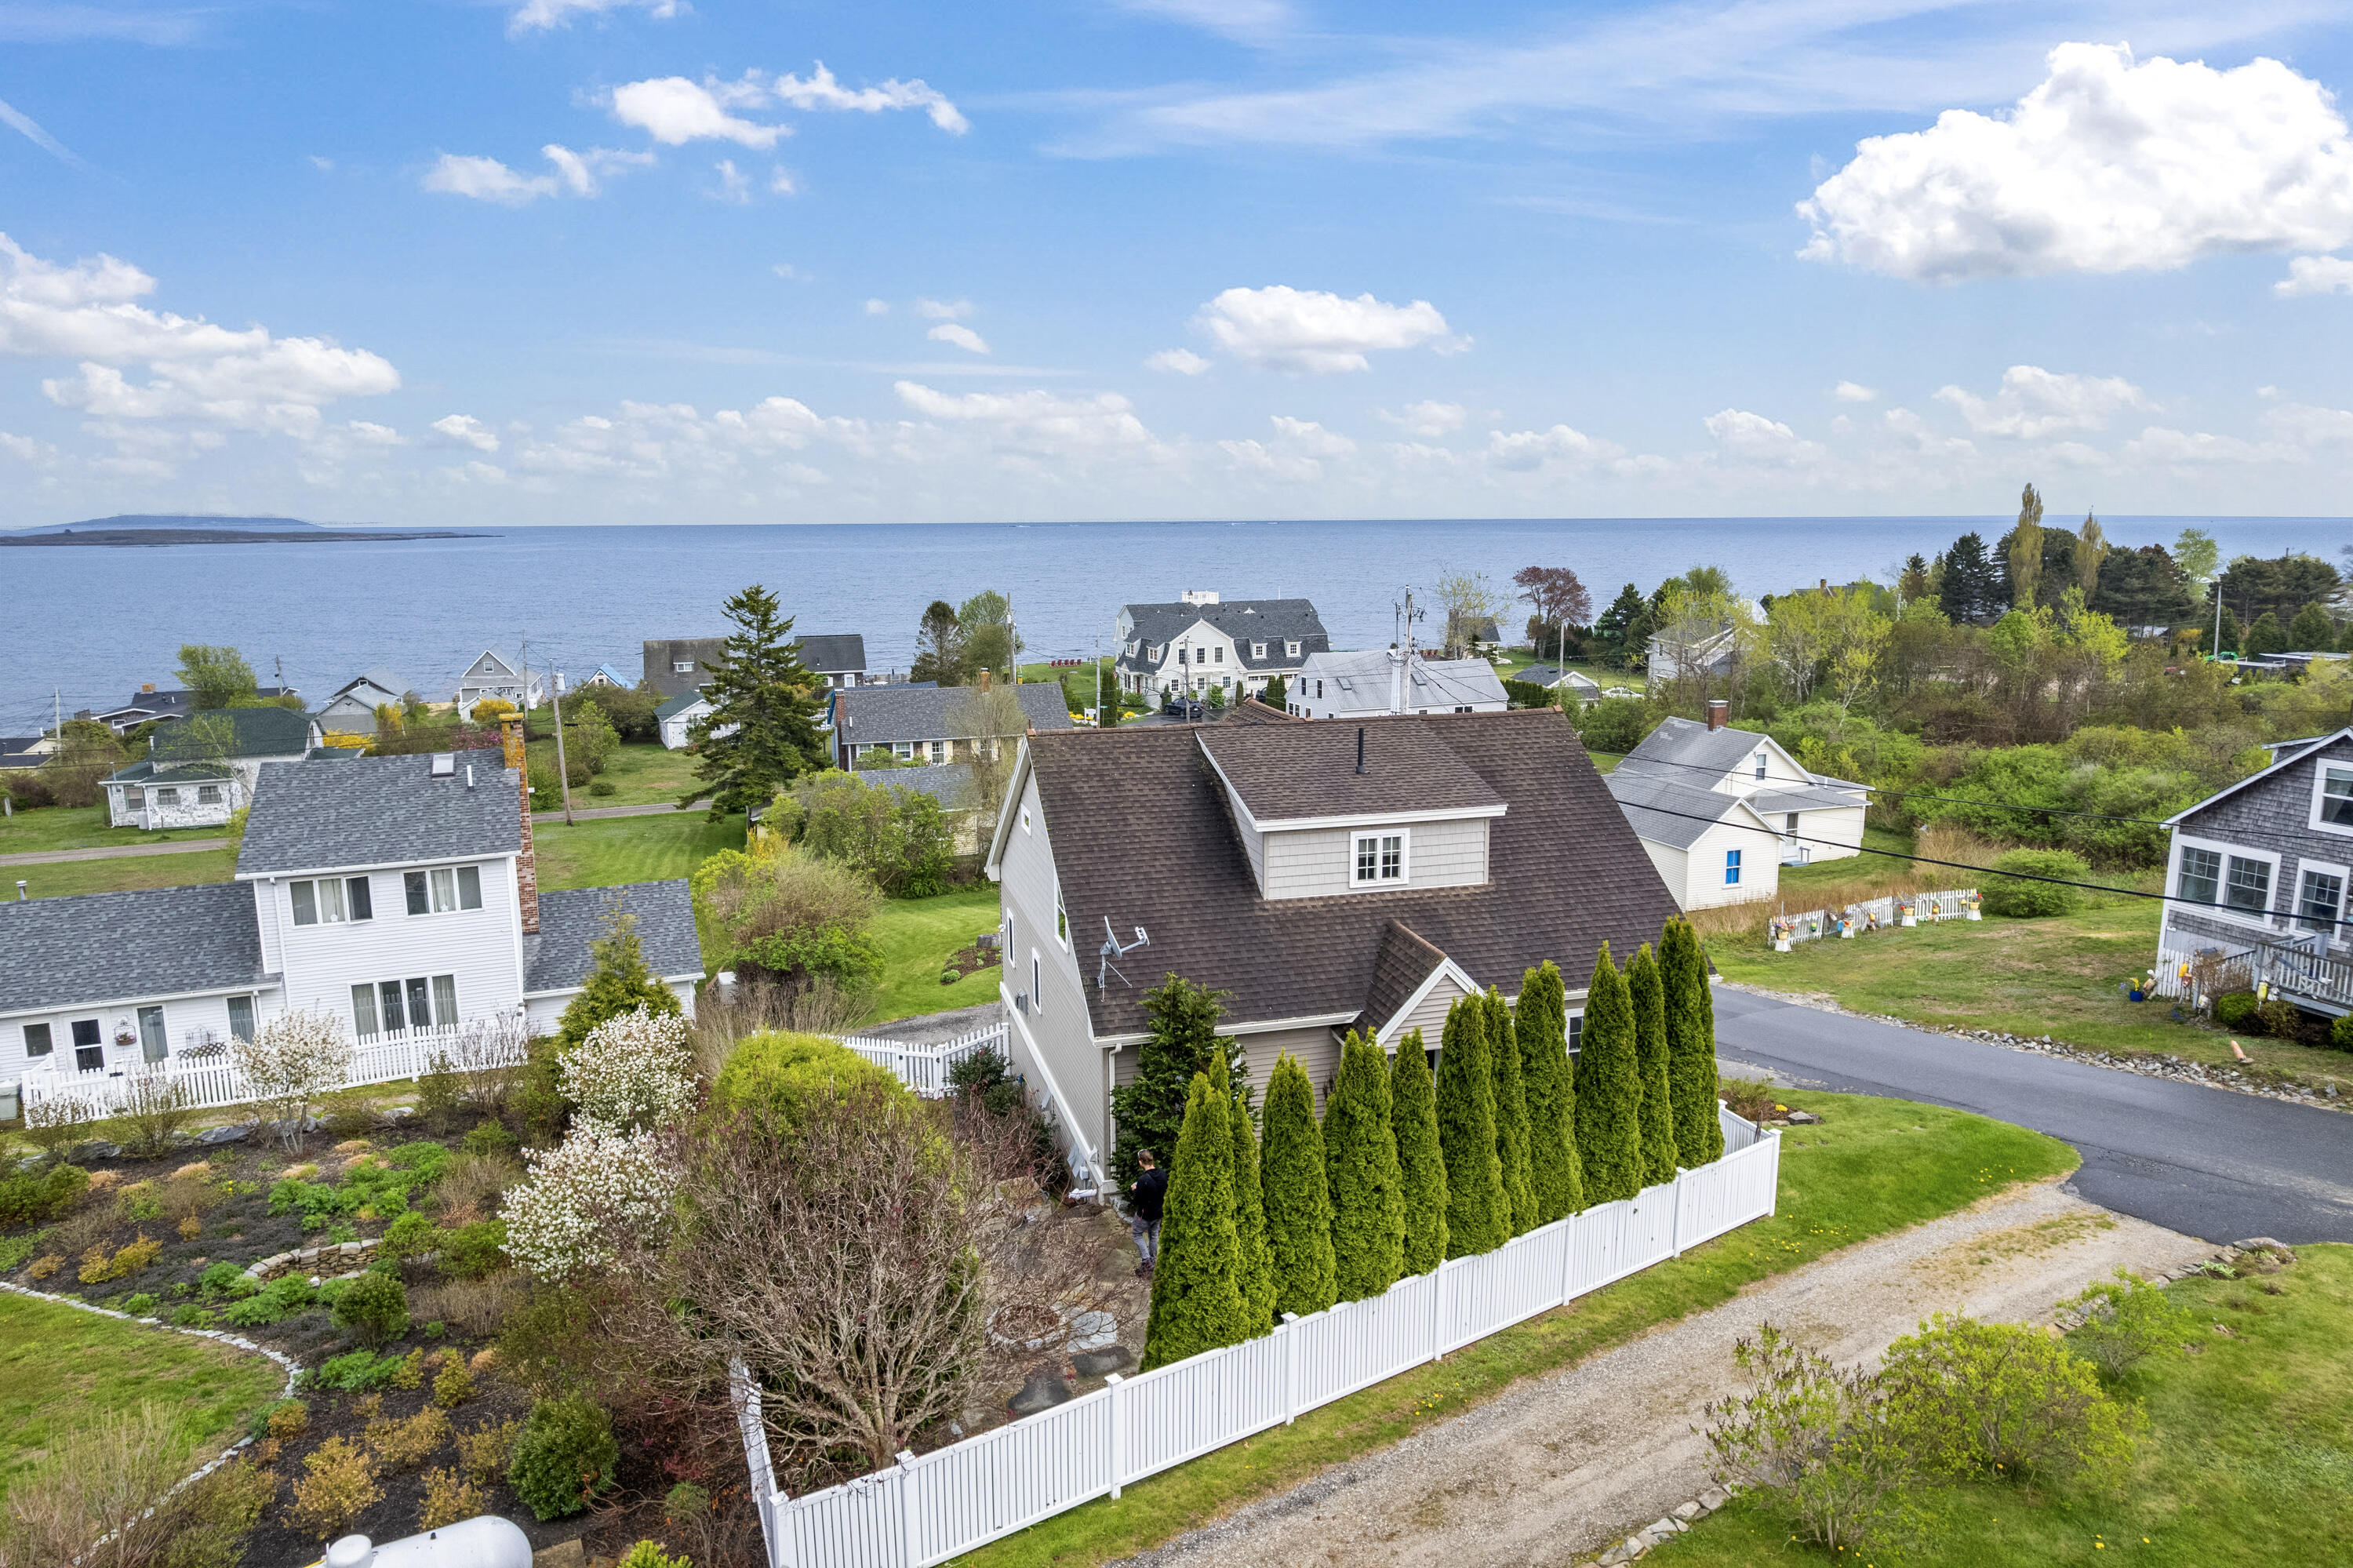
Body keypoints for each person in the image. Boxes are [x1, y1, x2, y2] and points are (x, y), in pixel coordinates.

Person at [1128, 1149, 1168, 1277]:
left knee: (1137, 1234)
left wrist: (1135, 1189)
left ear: (1141, 1162)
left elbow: (1138, 1200)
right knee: (1154, 1235)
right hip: (1158, 1212)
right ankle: (1153, 1261)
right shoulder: (1162, 1174)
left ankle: (1146, 1262)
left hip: (1145, 1215)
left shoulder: (1143, 1179)